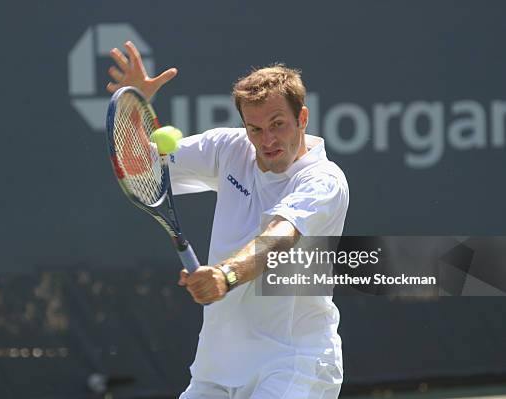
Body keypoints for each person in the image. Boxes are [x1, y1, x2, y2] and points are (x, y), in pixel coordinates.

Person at [107, 41, 349, 399]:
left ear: (302, 118)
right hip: (217, 370)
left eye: (278, 124)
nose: (267, 140)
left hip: (294, 364)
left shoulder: (324, 180)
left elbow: (280, 237)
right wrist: (134, 107)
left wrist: (225, 275)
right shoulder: (228, 147)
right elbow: (141, 166)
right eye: (255, 129)